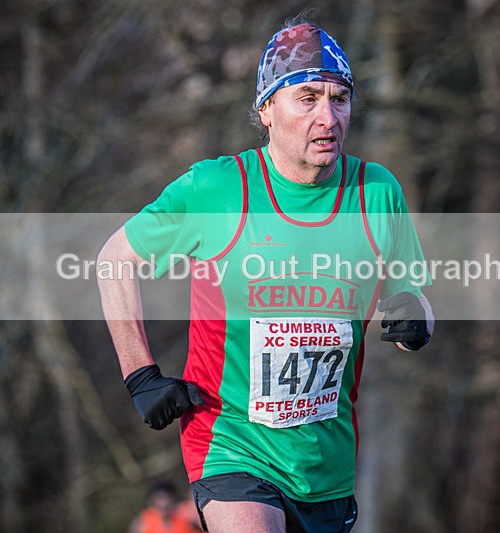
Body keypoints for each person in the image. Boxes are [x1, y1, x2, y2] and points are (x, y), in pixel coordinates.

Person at [98, 18, 433, 533]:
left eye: (340, 98)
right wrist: (140, 374)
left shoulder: (377, 192)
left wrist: (416, 319)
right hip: (232, 445)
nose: (328, 116)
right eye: (307, 98)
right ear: (267, 111)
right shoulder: (215, 189)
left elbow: (414, 301)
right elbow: (114, 260)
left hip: (327, 464)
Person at [128, 481, 200, 533]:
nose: (163, 504)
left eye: (166, 498)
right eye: (159, 499)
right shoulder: (144, 520)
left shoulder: (186, 513)